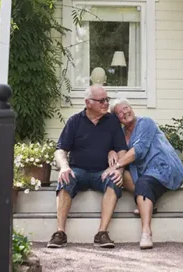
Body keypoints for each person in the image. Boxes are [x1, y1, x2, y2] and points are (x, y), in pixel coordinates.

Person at [47, 85, 127, 249]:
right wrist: (63, 167)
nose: (106, 103)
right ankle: (60, 233)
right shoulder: (75, 121)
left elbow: (121, 149)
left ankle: (102, 233)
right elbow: (60, 149)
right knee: (65, 178)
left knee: (115, 179)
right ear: (88, 103)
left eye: (107, 99)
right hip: (79, 171)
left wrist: (118, 168)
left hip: (102, 172)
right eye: (101, 101)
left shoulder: (112, 121)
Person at [107, 98, 183, 250]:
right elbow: (119, 150)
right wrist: (111, 152)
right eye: (119, 112)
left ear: (131, 108)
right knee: (119, 175)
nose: (125, 113)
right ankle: (149, 202)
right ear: (117, 119)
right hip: (144, 173)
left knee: (144, 183)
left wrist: (117, 164)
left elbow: (139, 150)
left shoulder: (145, 122)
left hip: (162, 167)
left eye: (126, 108)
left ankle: (146, 232)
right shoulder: (122, 133)